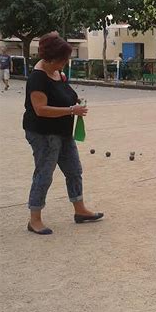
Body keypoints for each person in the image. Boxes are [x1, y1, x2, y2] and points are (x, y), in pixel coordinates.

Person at [22, 33, 103, 235]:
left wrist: (75, 104)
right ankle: (35, 219)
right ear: (51, 58)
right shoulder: (37, 78)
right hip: (43, 133)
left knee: (74, 170)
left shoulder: (58, 73)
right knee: (44, 174)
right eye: (63, 59)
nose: (66, 62)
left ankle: (80, 210)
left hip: (63, 132)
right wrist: (70, 110)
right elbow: (40, 109)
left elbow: (66, 95)